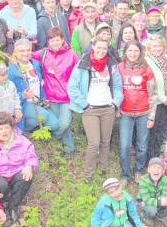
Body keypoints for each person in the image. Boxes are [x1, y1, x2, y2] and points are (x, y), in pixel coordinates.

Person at [68, 36, 123, 183]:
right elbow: (72, 87)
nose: (101, 51)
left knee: (106, 141)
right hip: (90, 109)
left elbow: (118, 86)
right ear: (93, 46)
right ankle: (89, 173)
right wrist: (84, 104)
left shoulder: (111, 64)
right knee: (94, 142)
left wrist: (116, 102)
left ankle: (102, 168)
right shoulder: (83, 63)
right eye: (98, 47)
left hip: (107, 108)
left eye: (104, 48)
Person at [0, 112, 38, 223]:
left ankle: (13, 207)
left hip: (16, 172)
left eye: (7, 128)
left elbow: (31, 156)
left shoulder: (22, 141)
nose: (4, 131)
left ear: (12, 127)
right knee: (0, 186)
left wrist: (29, 166)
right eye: (1, 129)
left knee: (25, 177)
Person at [31, 27, 79, 155]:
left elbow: (79, 75)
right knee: (57, 123)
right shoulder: (44, 53)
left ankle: (52, 138)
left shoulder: (72, 55)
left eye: (57, 40)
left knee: (63, 124)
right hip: (50, 97)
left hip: (66, 97)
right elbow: (27, 55)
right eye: (51, 41)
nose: (54, 43)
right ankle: (69, 148)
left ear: (63, 39)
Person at [117, 40, 157, 186]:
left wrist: (151, 116)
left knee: (142, 145)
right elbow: (115, 89)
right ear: (125, 52)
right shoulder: (119, 68)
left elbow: (153, 94)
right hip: (125, 113)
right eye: (130, 51)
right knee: (125, 146)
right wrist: (117, 108)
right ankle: (125, 174)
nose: (133, 54)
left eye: (136, 51)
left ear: (140, 52)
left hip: (143, 112)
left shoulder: (147, 69)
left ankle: (139, 171)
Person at [7, 39, 59, 134]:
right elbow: (8, 94)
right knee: (44, 115)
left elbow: (39, 84)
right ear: (15, 52)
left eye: (28, 50)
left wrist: (44, 99)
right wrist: (23, 95)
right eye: (21, 51)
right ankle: (22, 127)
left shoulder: (35, 64)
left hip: (37, 101)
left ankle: (33, 125)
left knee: (54, 124)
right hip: (24, 103)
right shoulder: (11, 70)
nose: (25, 53)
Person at [90, 178, 156, 227]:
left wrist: (139, 225)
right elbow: (96, 216)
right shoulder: (103, 202)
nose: (115, 193)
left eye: (116, 189)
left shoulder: (127, 198)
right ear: (108, 194)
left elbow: (133, 214)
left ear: (120, 187)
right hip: (110, 226)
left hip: (124, 223)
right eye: (111, 192)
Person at [145, 36, 167, 160]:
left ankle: (157, 157)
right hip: (155, 102)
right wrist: (162, 98)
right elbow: (151, 84)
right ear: (149, 48)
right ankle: (151, 158)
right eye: (154, 46)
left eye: (160, 46)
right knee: (153, 131)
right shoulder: (147, 60)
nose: (157, 49)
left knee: (160, 130)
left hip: (166, 100)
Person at [137, 157, 167, 227]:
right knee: (152, 210)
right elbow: (146, 199)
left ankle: (162, 216)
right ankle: (146, 216)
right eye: (154, 167)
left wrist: (160, 199)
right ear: (149, 170)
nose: (156, 170)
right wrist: (159, 202)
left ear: (163, 171)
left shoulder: (165, 179)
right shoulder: (143, 180)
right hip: (144, 201)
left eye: (159, 168)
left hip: (157, 198)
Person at [0, 63, 23, 129]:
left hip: (12, 116)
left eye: (6, 74)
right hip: (0, 120)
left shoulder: (11, 84)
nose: (5, 77)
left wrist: (17, 109)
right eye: (2, 75)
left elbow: (16, 97)